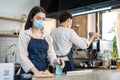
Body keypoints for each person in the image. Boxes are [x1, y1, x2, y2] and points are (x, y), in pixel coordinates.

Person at [18, 6, 64, 75]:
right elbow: (23, 57)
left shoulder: (47, 36)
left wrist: (56, 61)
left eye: (43, 19)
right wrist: (36, 72)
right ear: (31, 18)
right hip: (28, 74)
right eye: (38, 18)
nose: (41, 21)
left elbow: (51, 55)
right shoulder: (24, 35)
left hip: (44, 73)